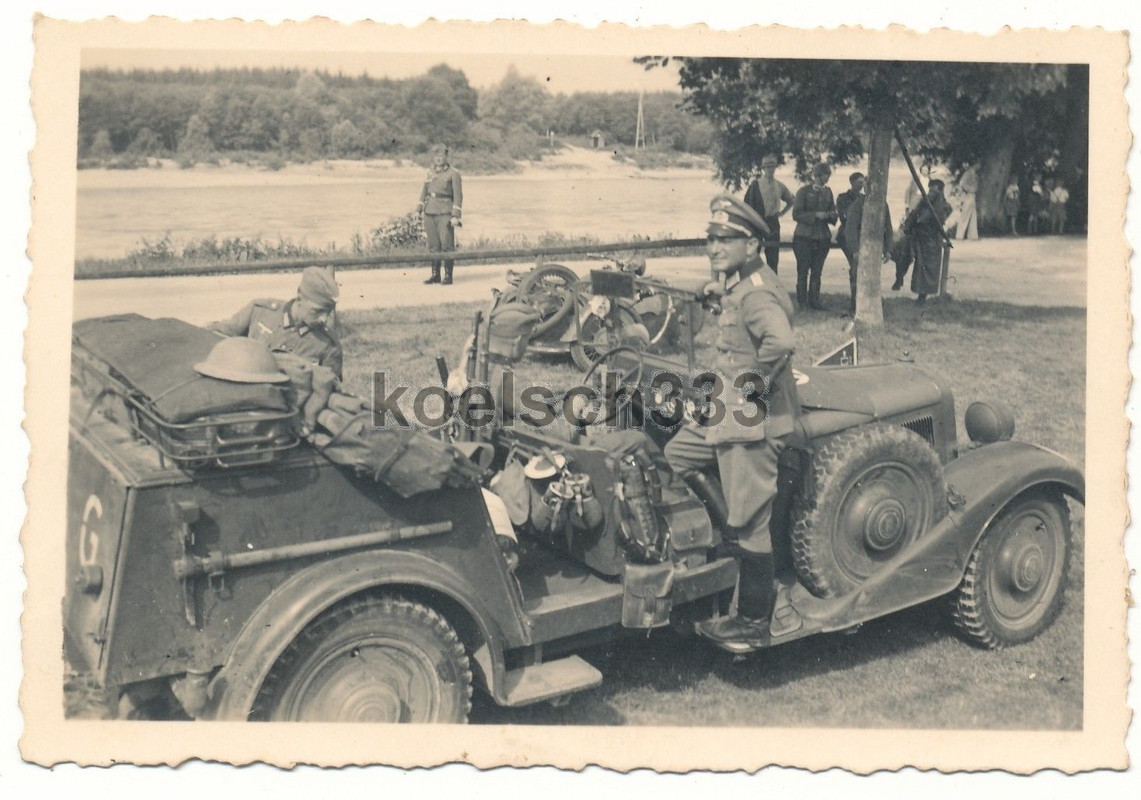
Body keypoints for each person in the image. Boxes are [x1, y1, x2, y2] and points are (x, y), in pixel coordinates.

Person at [665, 194, 797, 654]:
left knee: (751, 520)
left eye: (726, 239)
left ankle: (753, 620)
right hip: (724, 407)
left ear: (753, 243)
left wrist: (748, 388)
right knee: (677, 454)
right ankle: (730, 533)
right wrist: (715, 291)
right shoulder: (743, 282)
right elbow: (738, 302)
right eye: (711, 238)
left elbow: (779, 342)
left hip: (749, 416)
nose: (714, 246)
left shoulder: (756, 293)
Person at [209, 265, 343, 379]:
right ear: (300, 298)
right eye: (318, 311)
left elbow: (329, 388)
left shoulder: (328, 345)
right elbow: (217, 334)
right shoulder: (259, 312)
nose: (324, 319)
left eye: (328, 312)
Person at [791, 162, 838, 311]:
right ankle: (802, 303)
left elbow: (833, 212)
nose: (828, 177)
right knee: (803, 270)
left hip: (822, 237)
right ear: (817, 175)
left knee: (817, 271)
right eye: (826, 174)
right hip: (803, 237)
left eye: (829, 175)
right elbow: (796, 214)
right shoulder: (803, 192)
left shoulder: (828, 192)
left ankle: (814, 301)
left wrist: (831, 216)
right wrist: (815, 215)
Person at [418, 143, 463, 285]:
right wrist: (419, 207)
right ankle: (435, 275)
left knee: (447, 244)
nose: (438, 159)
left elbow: (458, 196)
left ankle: (448, 276)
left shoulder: (453, 174)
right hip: (430, 210)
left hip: (445, 212)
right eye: (435, 156)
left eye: (441, 156)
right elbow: (424, 191)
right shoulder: (430, 172)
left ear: (446, 156)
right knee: (433, 245)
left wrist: (455, 215)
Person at [903, 179, 953, 305]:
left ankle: (923, 297)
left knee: (929, 269)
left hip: (932, 241)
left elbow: (937, 219)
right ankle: (919, 295)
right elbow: (913, 219)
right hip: (920, 240)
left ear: (941, 192)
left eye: (934, 191)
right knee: (919, 268)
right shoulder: (924, 203)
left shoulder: (944, 207)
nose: (931, 193)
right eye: (929, 190)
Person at [842, 193, 893, 314]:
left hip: (876, 246)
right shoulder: (857, 205)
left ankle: (872, 307)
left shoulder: (883, 204)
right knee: (856, 276)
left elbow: (888, 227)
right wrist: (855, 250)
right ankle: (855, 307)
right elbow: (850, 229)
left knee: (873, 276)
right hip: (860, 246)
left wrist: (888, 250)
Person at [743, 154, 794, 273]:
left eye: (773, 167)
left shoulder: (779, 185)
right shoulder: (755, 185)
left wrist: (781, 213)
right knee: (753, 256)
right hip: (757, 223)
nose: (771, 170)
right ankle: (753, 286)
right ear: (763, 169)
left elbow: (791, 200)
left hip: (773, 223)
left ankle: (772, 285)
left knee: (773, 258)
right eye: (768, 167)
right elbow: (746, 205)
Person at [835, 171, 865, 271]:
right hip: (846, 233)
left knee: (859, 264)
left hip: (860, 234)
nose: (862, 185)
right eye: (859, 182)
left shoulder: (864, 198)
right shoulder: (843, 198)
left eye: (863, 182)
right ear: (852, 182)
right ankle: (854, 285)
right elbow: (844, 216)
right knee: (854, 262)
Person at [955, 163, 980, 240]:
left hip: (972, 195)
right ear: (974, 164)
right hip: (968, 195)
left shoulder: (974, 174)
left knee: (973, 215)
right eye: (978, 164)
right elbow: (962, 183)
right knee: (964, 215)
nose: (979, 166)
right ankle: (959, 235)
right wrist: (969, 189)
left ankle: (973, 235)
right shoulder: (968, 173)